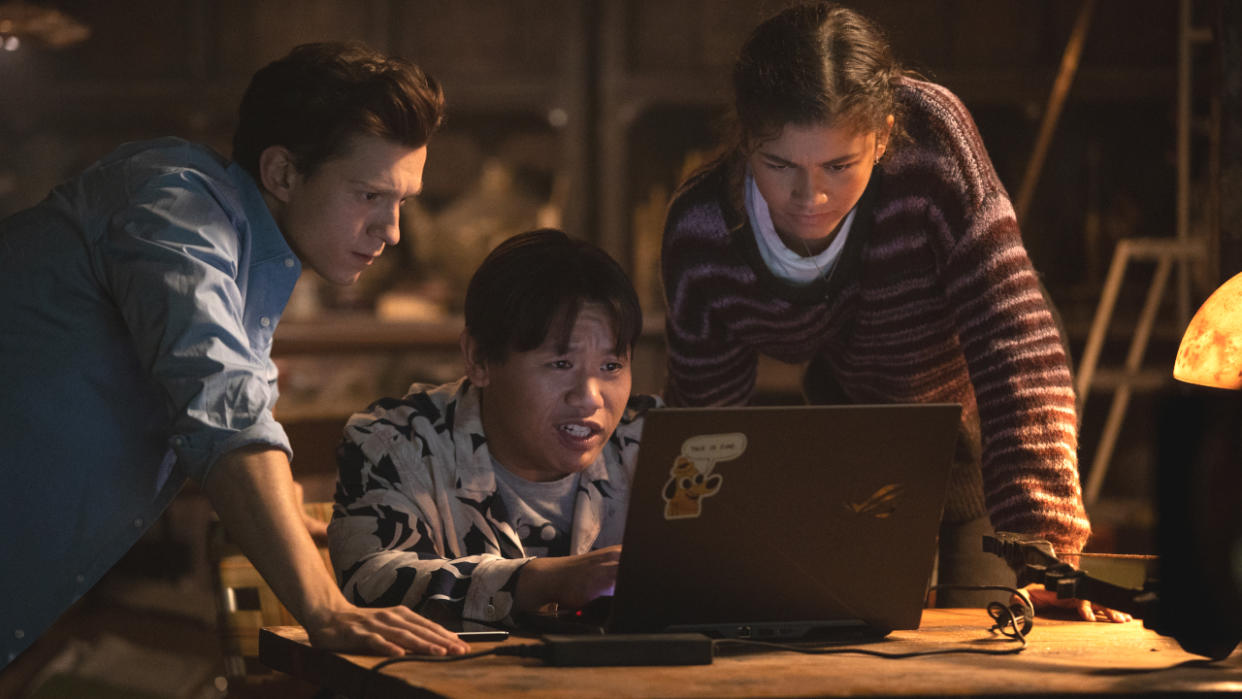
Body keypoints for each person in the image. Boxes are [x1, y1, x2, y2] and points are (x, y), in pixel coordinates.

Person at [0, 41, 471, 669]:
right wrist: (325, 608)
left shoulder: (253, 258)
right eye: (368, 196)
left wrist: (294, 522)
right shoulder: (174, 206)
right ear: (281, 173)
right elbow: (223, 407)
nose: (392, 231)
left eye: (402, 202)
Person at [660, 2, 1127, 621]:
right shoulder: (704, 235)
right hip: (853, 449)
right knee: (841, 638)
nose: (810, 197)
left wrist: (1044, 552)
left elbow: (1014, 343)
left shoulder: (930, 143)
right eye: (779, 166)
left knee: (990, 633)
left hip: (986, 441)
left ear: (881, 136)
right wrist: (695, 570)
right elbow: (703, 431)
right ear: (746, 140)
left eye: (838, 166)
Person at [328, 229, 660, 624]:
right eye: (560, 364)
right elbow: (371, 583)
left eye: (611, 367)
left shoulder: (658, 444)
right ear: (480, 358)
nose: (589, 397)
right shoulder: (396, 443)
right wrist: (541, 581)